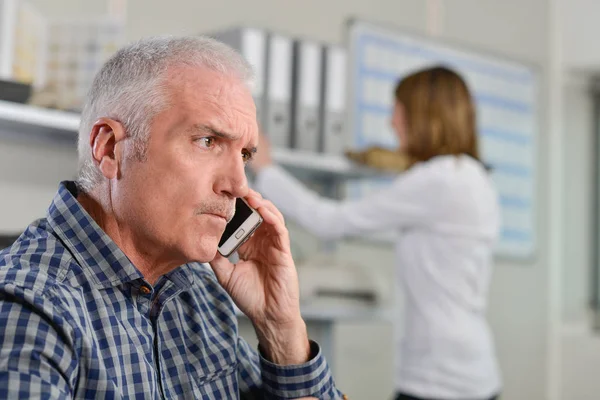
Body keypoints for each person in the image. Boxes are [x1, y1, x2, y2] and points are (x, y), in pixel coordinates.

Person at [0, 36, 345, 400]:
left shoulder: (200, 293)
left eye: (244, 155)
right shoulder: (27, 307)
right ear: (110, 148)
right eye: (208, 141)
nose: (238, 185)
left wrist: (280, 327)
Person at [251, 66, 501, 400]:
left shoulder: (437, 180)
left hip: (440, 377)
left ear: (423, 117)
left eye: (398, 112)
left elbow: (330, 221)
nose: (392, 123)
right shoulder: (474, 177)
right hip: (474, 370)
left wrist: (266, 169)